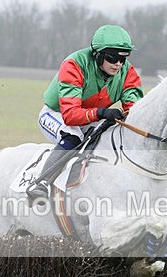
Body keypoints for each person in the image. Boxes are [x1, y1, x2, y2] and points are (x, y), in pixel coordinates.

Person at [26, 24, 143, 205]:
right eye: (113, 57)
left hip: (91, 117)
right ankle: (41, 182)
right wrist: (103, 112)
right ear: (98, 54)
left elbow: (134, 108)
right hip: (57, 114)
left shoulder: (127, 71)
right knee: (74, 137)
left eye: (124, 58)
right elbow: (71, 115)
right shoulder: (74, 65)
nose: (119, 64)